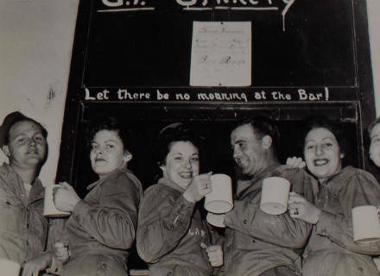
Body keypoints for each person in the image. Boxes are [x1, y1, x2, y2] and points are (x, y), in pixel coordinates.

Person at [287, 116, 380, 276]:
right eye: (310, 147)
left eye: (327, 144)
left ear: (341, 151)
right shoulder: (312, 193)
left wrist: (317, 216)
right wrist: (292, 179)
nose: (318, 151)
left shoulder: (354, 179)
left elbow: (373, 242)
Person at [223, 117, 315, 276]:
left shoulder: (291, 175)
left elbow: (295, 233)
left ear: (266, 142)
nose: (235, 154)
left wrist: (231, 210)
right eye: (233, 148)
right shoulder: (246, 191)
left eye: (241, 145)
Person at [53, 116, 143, 276]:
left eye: (109, 146)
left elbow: (122, 234)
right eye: (95, 146)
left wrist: (76, 205)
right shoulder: (104, 187)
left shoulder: (120, 180)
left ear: (127, 155)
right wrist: (68, 253)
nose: (99, 151)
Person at [136, 122, 223, 276]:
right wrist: (188, 198)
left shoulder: (196, 208)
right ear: (162, 165)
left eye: (194, 159)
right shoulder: (158, 193)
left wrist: (218, 255)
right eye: (178, 158)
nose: (188, 166)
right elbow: (148, 250)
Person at [0, 111, 64, 276]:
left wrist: (48, 257)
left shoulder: (51, 199)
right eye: (22, 139)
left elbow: (60, 254)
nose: (32, 143)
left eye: (38, 138)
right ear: (6, 150)